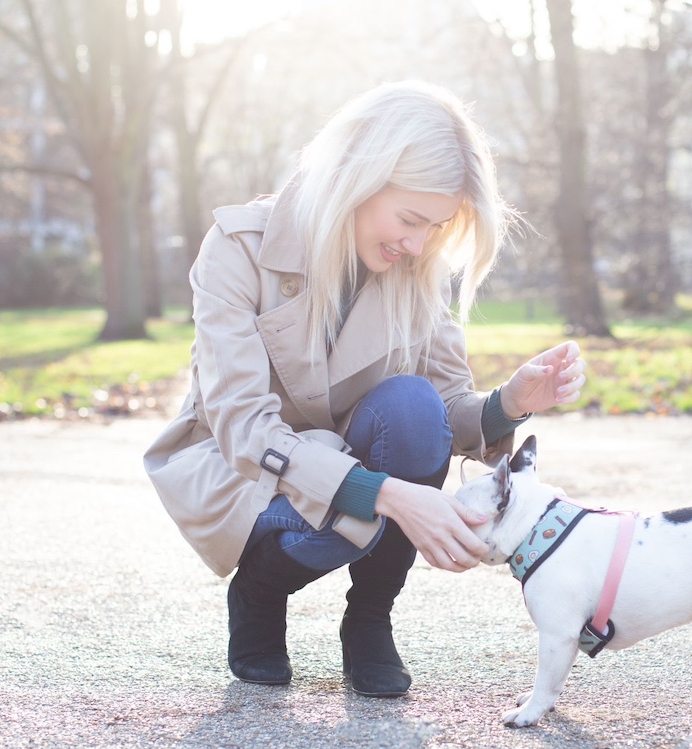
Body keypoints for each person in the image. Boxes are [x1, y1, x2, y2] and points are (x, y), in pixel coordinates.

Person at [143, 81, 586, 698]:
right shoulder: (238, 249)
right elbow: (243, 428)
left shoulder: (414, 268)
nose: (416, 243)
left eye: (433, 227)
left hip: (343, 464)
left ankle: (370, 618)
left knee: (410, 406)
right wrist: (392, 497)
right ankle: (261, 591)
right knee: (356, 501)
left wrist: (511, 401)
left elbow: (439, 418)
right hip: (243, 472)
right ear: (356, 178)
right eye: (409, 219)